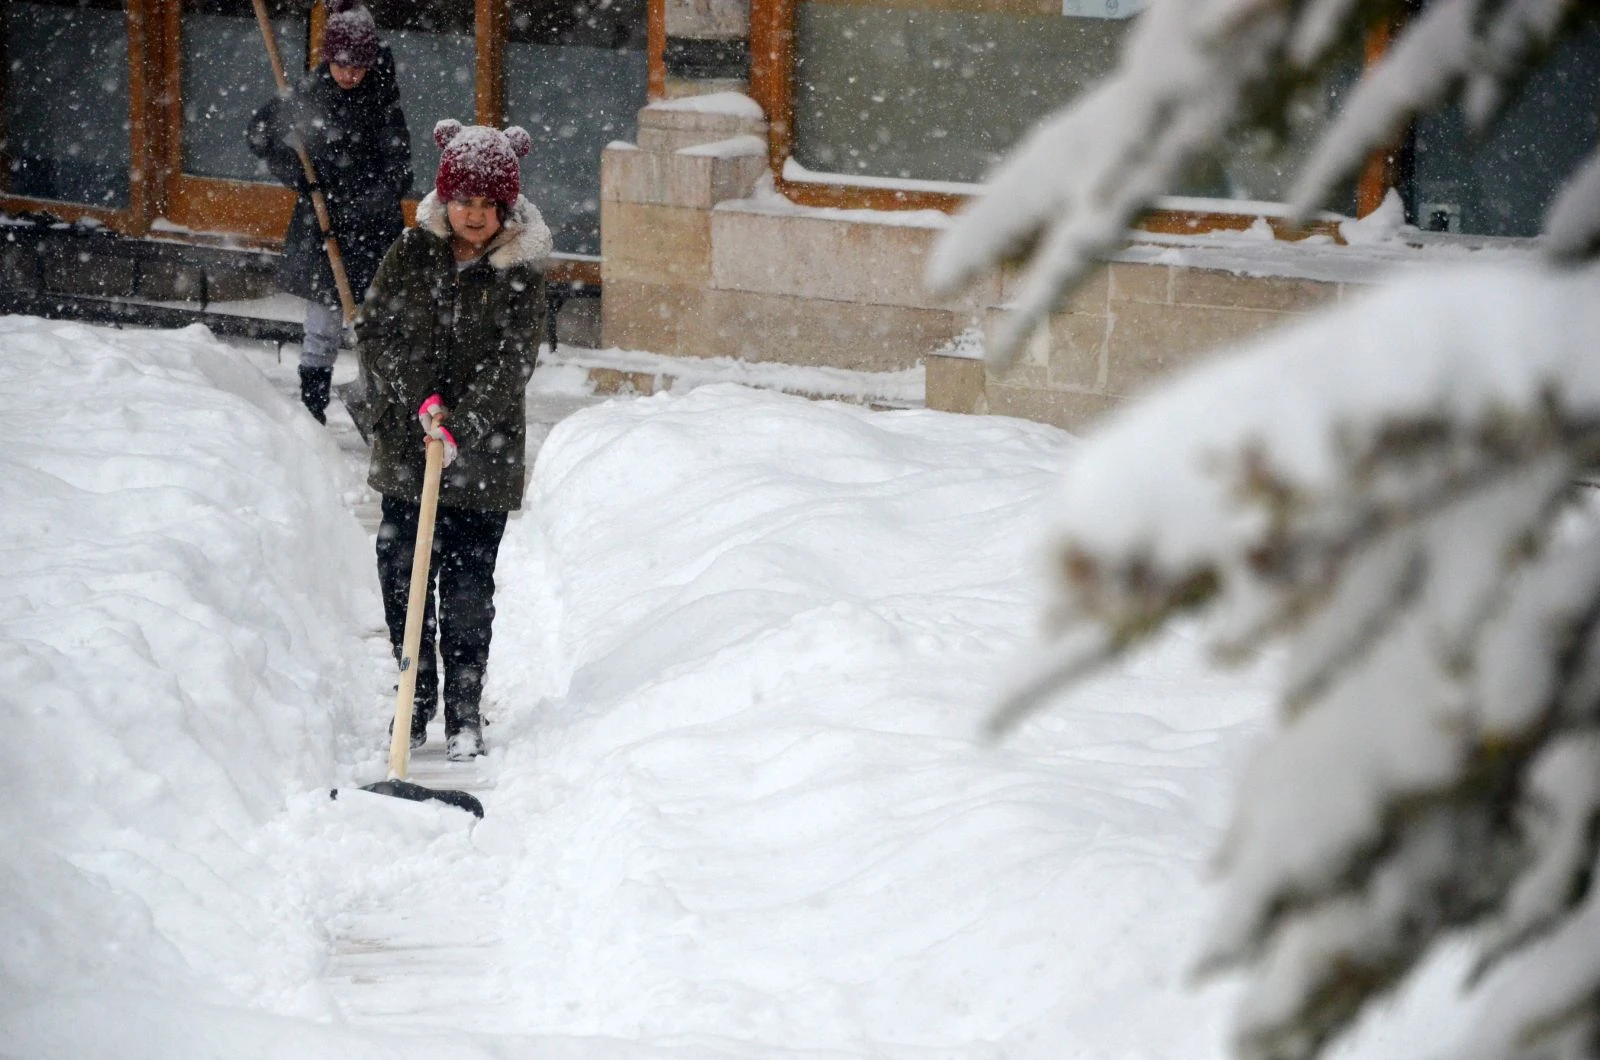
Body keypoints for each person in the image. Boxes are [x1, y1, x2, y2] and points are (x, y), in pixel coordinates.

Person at [355, 119, 551, 760]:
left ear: (506, 208)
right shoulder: (412, 252)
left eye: (488, 204)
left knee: (468, 589)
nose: (474, 214)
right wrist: (421, 400)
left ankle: (465, 710)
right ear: (446, 199)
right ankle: (414, 700)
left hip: (483, 457)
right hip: (409, 448)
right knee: (403, 578)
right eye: (464, 200)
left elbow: (513, 361)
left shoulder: (520, 271)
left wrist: (461, 425)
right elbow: (375, 329)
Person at [246, 0, 411, 424]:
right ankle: (312, 410)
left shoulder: (382, 98)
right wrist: (297, 172)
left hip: (372, 232)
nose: (349, 74)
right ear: (328, 59)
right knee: (322, 325)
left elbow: (400, 168)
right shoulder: (309, 92)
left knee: (376, 325)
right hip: (323, 226)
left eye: (358, 66)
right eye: (341, 65)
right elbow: (260, 134)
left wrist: (369, 203)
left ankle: (383, 406)